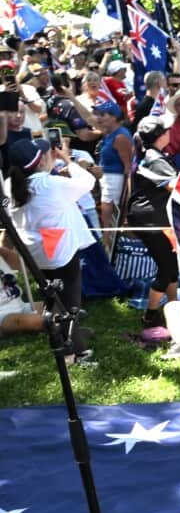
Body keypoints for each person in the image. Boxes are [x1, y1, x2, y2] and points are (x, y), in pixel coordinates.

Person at [4, 137, 94, 361]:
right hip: (58, 248)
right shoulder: (49, 184)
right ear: (42, 159)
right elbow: (88, 181)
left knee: (54, 300)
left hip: (35, 251)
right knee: (69, 304)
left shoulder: (10, 184)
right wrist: (67, 159)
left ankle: (70, 340)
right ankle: (74, 353)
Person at [126, 115, 180, 329]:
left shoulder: (151, 154)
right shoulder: (154, 158)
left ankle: (174, 307)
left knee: (170, 264)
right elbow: (174, 185)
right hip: (151, 219)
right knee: (166, 268)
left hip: (150, 217)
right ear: (161, 136)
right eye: (167, 130)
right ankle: (150, 315)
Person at [92, 100, 132, 241]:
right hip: (108, 179)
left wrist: (126, 196)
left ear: (114, 117)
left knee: (111, 217)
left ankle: (111, 242)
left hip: (116, 181)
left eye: (103, 115)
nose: (99, 118)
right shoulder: (109, 133)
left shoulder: (120, 136)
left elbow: (128, 167)